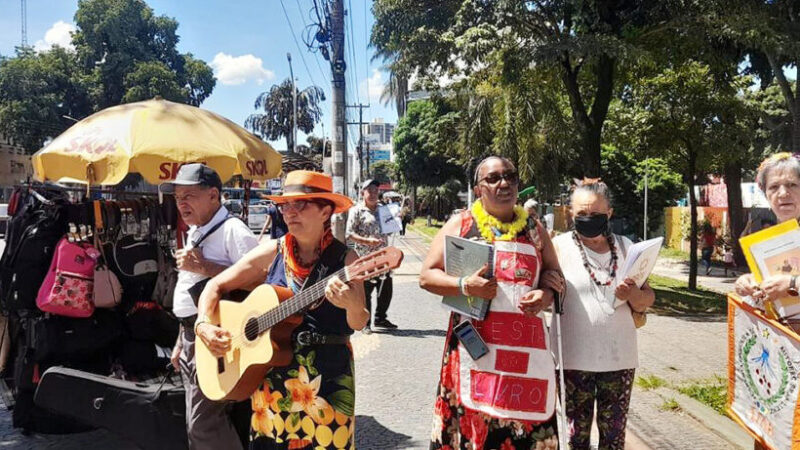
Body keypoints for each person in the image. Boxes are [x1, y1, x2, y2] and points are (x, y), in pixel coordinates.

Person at [195, 170, 368, 450]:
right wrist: (203, 325)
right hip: (272, 376)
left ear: (326, 212)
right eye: (285, 205)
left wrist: (352, 306)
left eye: (300, 204)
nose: (289, 212)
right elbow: (214, 287)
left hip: (327, 379)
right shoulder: (273, 251)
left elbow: (359, 322)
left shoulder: (347, 260)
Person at [420, 156, 565, 449]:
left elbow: (554, 274)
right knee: (474, 427)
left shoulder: (535, 229)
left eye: (510, 176)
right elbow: (426, 276)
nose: (504, 183)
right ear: (478, 188)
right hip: (474, 351)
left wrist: (545, 295)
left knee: (525, 425)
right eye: (494, 178)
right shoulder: (461, 224)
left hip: (524, 355)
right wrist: (463, 285)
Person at [160, 163, 260, 450]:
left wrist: (203, 265)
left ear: (214, 195)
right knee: (198, 420)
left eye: (189, 196)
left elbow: (258, 283)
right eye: (177, 198)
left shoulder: (233, 230)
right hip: (193, 334)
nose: (181, 204)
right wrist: (182, 337)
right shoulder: (197, 230)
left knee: (203, 424)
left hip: (216, 340)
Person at [551, 179, 655, 450]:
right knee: (577, 439)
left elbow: (647, 299)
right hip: (572, 361)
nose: (588, 220)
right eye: (581, 214)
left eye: (595, 215)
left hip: (619, 360)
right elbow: (543, 292)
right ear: (571, 213)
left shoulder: (626, 247)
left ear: (609, 212)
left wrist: (631, 295)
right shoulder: (558, 248)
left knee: (613, 439)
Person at [736, 153, 800, 309]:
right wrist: (750, 283)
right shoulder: (768, 239)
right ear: (766, 194)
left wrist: (793, 283)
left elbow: (787, 283)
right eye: (774, 187)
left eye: (792, 184)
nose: (783, 193)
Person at [347, 179, 397, 332]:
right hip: (364, 258)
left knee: (385, 289)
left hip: (383, 257)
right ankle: (366, 323)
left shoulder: (384, 209)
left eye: (376, 191)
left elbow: (391, 229)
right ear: (363, 193)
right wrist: (367, 241)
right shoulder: (356, 210)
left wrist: (396, 220)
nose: (374, 194)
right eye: (370, 191)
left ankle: (380, 318)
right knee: (366, 291)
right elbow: (349, 233)